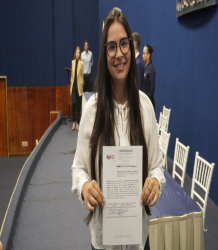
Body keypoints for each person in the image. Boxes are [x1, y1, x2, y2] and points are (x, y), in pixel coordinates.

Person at [71, 7, 165, 250]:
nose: (119, 54)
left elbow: (156, 166)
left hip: (138, 239)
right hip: (103, 241)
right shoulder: (92, 110)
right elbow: (78, 168)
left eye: (124, 44)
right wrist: (84, 186)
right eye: (111, 46)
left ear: (130, 47)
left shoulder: (145, 108)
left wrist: (155, 181)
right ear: (104, 54)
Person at [70, 46, 84, 131]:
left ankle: (78, 123)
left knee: (78, 106)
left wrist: (82, 83)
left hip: (79, 86)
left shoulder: (81, 63)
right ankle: (74, 121)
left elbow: (81, 74)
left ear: (80, 54)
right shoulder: (73, 62)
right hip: (73, 86)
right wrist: (70, 86)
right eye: (77, 52)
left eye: (79, 52)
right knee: (74, 104)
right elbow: (72, 76)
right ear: (75, 53)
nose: (78, 54)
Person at [142, 45, 155, 110]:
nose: (142, 56)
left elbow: (151, 90)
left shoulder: (151, 70)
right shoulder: (146, 69)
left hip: (149, 106)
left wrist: (146, 102)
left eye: (144, 54)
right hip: (144, 104)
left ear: (148, 55)